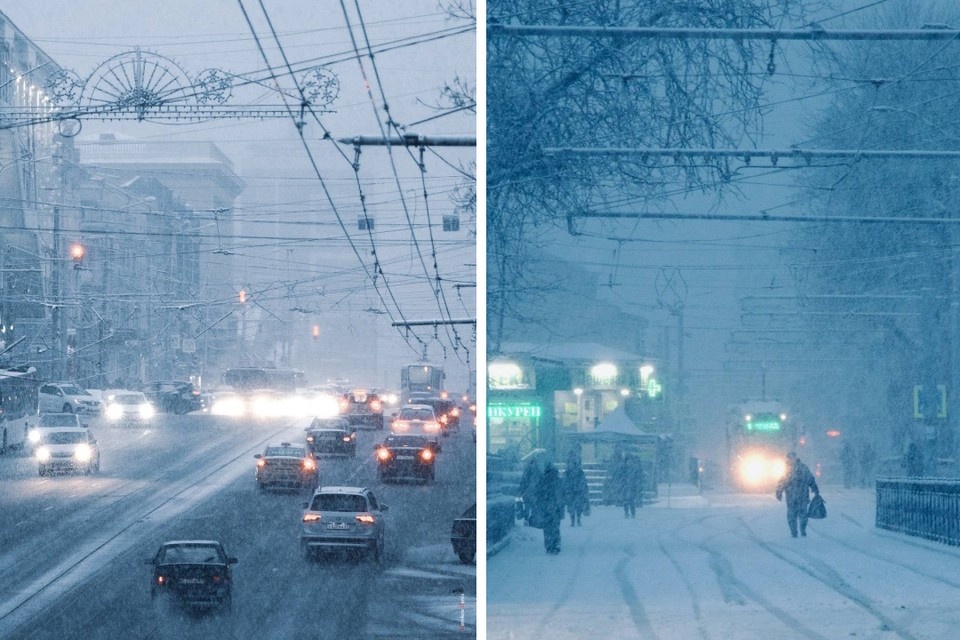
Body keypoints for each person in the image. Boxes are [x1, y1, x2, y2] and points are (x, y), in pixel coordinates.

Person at [775, 452, 819, 538]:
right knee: (802, 515)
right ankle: (802, 531)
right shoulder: (803, 468)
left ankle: (794, 533)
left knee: (792, 516)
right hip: (802, 496)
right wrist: (815, 488)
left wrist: (779, 491)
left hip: (792, 497)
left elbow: (782, 481)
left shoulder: (788, 470)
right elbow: (810, 479)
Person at [533, 462, 565, 554]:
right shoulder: (558, 481)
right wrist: (560, 509)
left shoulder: (542, 481)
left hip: (546, 508)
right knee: (555, 527)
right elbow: (561, 496)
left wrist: (539, 505)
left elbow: (537, 495)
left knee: (547, 528)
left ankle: (549, 545)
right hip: (555, 508)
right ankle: (555, 544)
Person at [563, 455, 590, 526]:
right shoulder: (568, 472)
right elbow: (565, 482)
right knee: (573, 506)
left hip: (577, 491)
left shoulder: (578, 472)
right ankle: (574, 520)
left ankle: (577, 520)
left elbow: (583, 481)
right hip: (572, 491)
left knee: (577, 506)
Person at [517, 457, 541, 527]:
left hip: (529, 493)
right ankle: (529, 520)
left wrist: (521, 491)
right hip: (531, 493)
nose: (533, 465)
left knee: (530, 507)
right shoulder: (537, 472)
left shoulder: (528, 472)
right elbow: (540, 483)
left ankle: (527, 520)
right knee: (532, 507)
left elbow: (523, 482)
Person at [620, 453, 644, 518]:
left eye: (630, 461)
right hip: (625, 486)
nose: (629, 462)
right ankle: (626, 513)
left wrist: (635, 483)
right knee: (625, 501)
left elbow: (637, 477)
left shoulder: (634, 469)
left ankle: (633, 513)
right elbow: (621, 477)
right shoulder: (624, 469)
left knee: (631, 501)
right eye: (628, 461)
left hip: (632, 487)